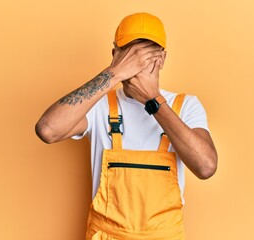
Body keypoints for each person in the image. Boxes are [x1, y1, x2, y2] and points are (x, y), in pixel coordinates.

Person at [35, 12, 217, 240]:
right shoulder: (99, 106)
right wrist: (114, 74)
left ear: (162, 58)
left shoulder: (186, 106)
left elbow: (206, 166)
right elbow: (48, 130)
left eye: (147, 53)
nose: (139, 63)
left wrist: (154, 101)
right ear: (115, 55)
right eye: (131, 54)